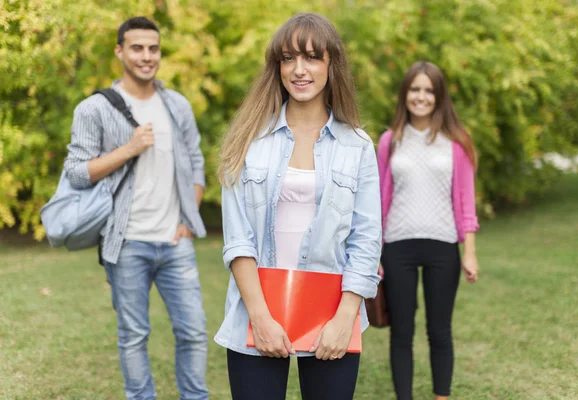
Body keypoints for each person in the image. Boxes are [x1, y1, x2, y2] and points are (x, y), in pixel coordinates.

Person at [215, 12, 381, 400]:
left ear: (331, 65)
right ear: (277, 67)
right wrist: (260, 316)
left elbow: (366, 240)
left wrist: (345, 318)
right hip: (256, 312)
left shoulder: (358, 146)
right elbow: (237, 239)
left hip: (332, 317)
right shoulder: (246, 140)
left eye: (311, 57)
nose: (299, 69)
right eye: (288, 58)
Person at [63, 16, 209, 400]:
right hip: (126, 242)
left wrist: (187, 221)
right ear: (120, 51)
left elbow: (196, 162)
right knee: (133, 336)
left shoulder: (176, 104)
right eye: (137, 48)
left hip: (176, 242)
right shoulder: (93, 109)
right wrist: (128, 149)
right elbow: (77, 173)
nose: (147, 56)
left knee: (193, 332)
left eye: (153, 48)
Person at [377, 61, 480, 400]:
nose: (421, 96)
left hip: (442, 246)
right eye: (415, 89)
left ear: (439, 96)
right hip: (397, 246)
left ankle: (441, 396)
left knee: (440, 331)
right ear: (405, 93)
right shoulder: (389, 141)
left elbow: (465, 201)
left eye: (428, 90)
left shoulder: (456, 143)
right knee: (402, 333)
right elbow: (379, 199)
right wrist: (374, 252)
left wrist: (470, 252)